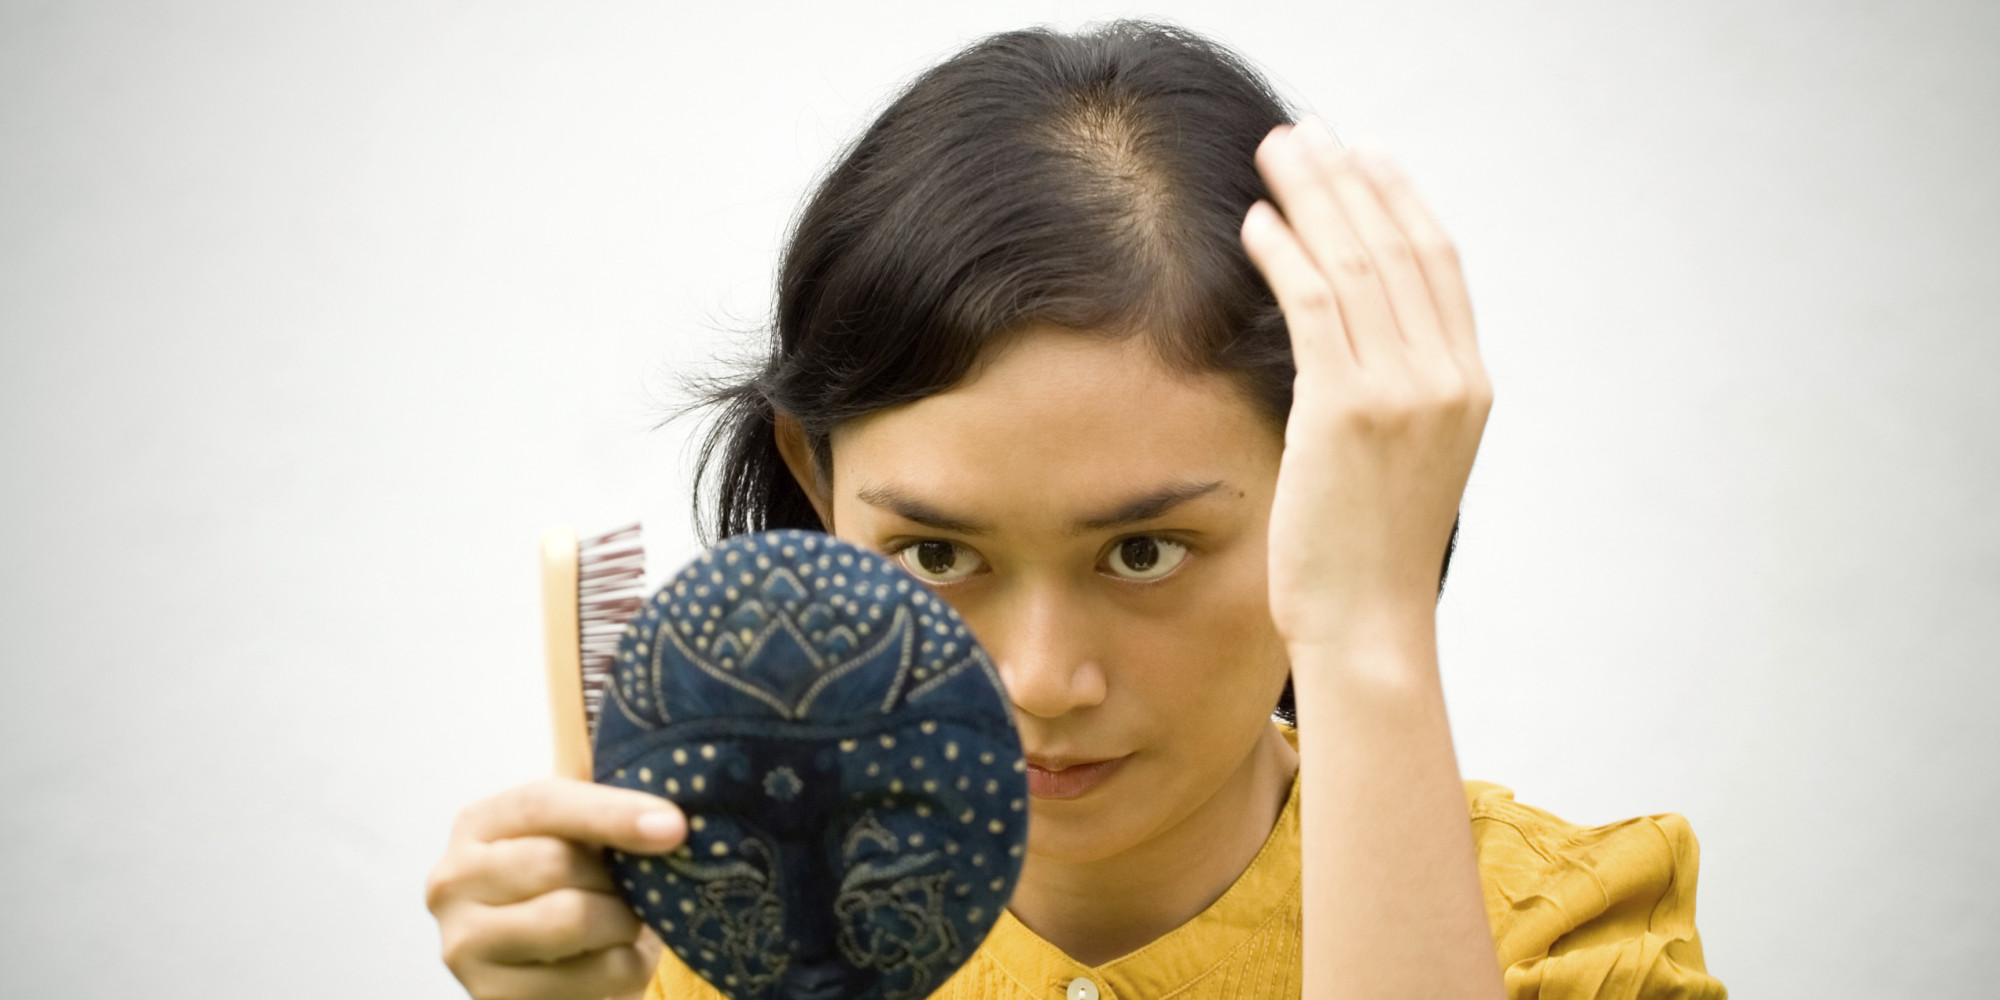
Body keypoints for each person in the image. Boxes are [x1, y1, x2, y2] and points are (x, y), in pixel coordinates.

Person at [425, 20, 1726, 1000]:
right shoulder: (681, 950)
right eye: (940, 551)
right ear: (818, 488)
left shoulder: (1560, 931)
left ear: (1324, 490)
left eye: (1145, 550)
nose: (1040, 681)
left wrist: (1373, 627)